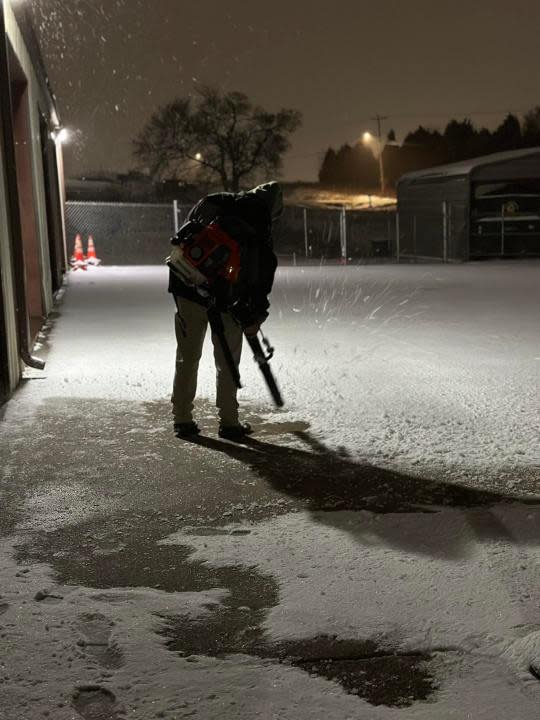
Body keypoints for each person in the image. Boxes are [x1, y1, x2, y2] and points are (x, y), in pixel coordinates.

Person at [168, 181, 282, 441]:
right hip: (228, 299)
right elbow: (261, 278)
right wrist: (255, 316)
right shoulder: (260, 228)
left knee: (187, 355)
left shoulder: (214, 201)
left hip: (188, 286)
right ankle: (229, 423)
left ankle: (183, 419)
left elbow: (185, 241)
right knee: (227, 360)